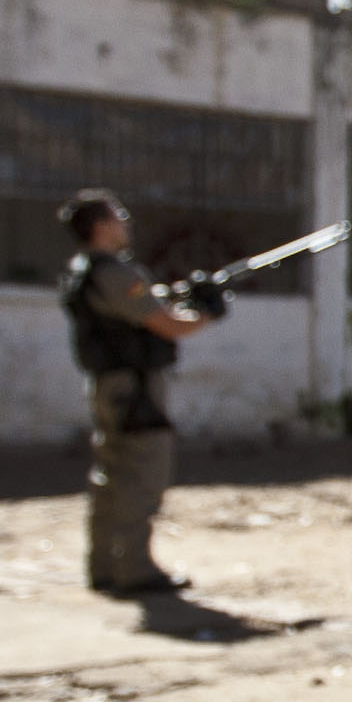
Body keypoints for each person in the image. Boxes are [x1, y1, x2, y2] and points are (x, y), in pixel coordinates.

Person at [59, 189, 218, 595]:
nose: (126, 224)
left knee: (111, 475)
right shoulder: (114, 273)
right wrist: (207, 312)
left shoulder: (87, 270)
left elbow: (143, 312)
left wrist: (178, 298)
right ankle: (133, 569)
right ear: (100, 226)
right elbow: (168, 326)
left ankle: (104, 566)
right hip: (133, 390)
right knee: (142, 473)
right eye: (119, 217)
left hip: (111, 386)